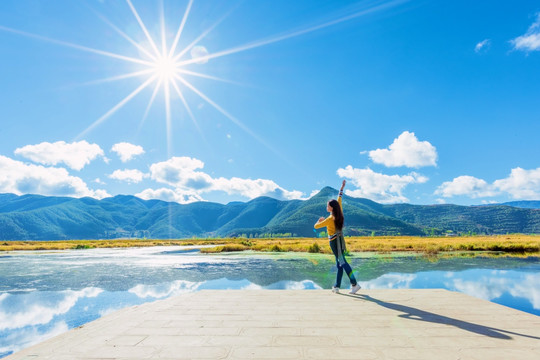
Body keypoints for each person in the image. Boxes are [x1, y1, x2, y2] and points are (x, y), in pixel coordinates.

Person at [314, 180, 361, 294]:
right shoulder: (338, 211)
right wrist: (341, 188)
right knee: (339, 263)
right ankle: (336, 286)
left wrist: (319, 220)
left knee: (342, 262)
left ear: (331, 208)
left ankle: (354, 284)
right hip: (340, 240)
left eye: (328, 205)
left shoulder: (329, 219)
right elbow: (339, 198)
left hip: (335, 243)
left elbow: (316, 226)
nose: (327, 206)